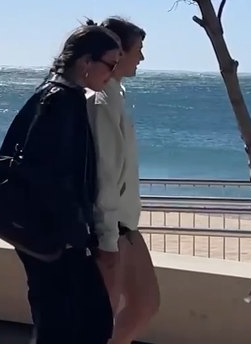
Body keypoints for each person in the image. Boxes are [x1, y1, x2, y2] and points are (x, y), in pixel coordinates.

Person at [0, 22, 121, 343]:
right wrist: (72, 233)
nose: (112, 73)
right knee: (73, 324)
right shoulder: (61, 102)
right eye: (110, 64)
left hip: (52, 235)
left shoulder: (56, 96)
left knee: (64, 322)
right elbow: (48, 174)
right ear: (85, 63)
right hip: (56, 238)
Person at [90, 17, 160, 343]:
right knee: (103, 313)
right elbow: (104, 174)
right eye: (139, 50)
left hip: (126, 224)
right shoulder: (101, 101)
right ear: (119, 51)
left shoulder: (115, 94)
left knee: (145, 303)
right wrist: (106, 240)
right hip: (110, 229)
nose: (142, 58)